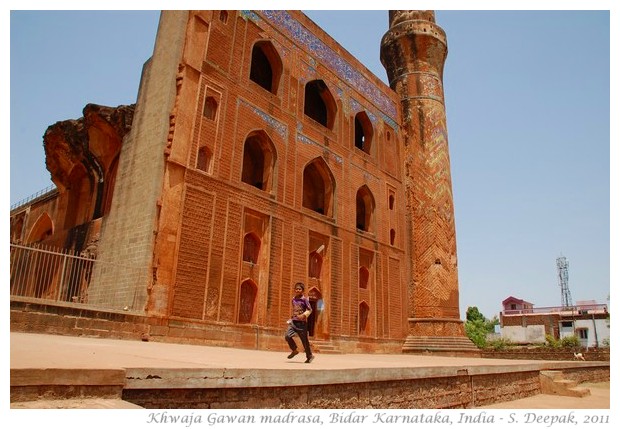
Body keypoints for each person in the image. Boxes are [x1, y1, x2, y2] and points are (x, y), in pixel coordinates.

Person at [284, 282, 314, 363]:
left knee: (304, 341)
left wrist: (303, 315)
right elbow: (295, 309)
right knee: (287, 336)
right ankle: (294, 350)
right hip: (293, 322)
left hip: (302, 324)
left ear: (302, 290)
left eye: (299, 289)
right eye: (296, 289)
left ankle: (309, 356)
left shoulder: (304, 299)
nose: (297, 290)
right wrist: (292, 318)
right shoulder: (293, 299)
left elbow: (310, 309)